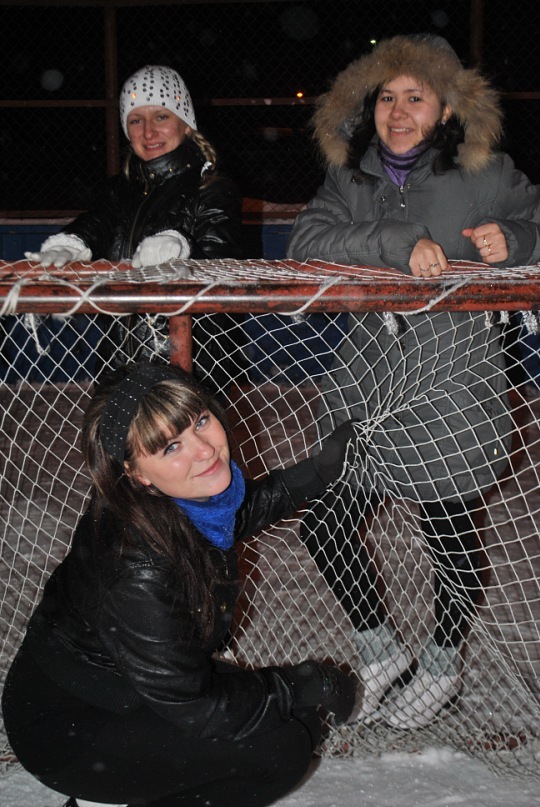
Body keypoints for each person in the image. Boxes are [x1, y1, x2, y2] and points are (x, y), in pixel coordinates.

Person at [287, 34, 540, 729]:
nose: (398, 113)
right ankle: (379, 652)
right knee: (326, 522)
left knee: (448, 531)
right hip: (367, 383)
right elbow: (307, 241)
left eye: (415, 97)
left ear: (447, 108)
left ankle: (440, 665)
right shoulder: (352, 177)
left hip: (454, 383)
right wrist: (393, 244)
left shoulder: (486, 174)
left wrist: (517, 241)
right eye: (386, 98)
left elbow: (535, 222)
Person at [2, 361, 360, 807]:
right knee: (281, 750)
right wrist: (306, 682)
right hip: (70, 725)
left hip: (131, 685)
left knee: (299, 720)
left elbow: (228, 521)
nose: (204, 450)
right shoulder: (137, 567)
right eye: (172, 446)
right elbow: (200, 707)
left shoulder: (164, 499)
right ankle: (100, 798)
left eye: (200, 422)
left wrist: (319, 471)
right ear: (136, 472)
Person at [24, 65, 245, 392]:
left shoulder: (212, 188)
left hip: (190, 372)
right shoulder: (118, 190)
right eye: (136, 120)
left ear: (185, 124)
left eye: (161, 117)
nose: (148, 132)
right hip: (118, 364)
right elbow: (97, 222)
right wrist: (73, 241)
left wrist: (182, 247)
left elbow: (223, 266)